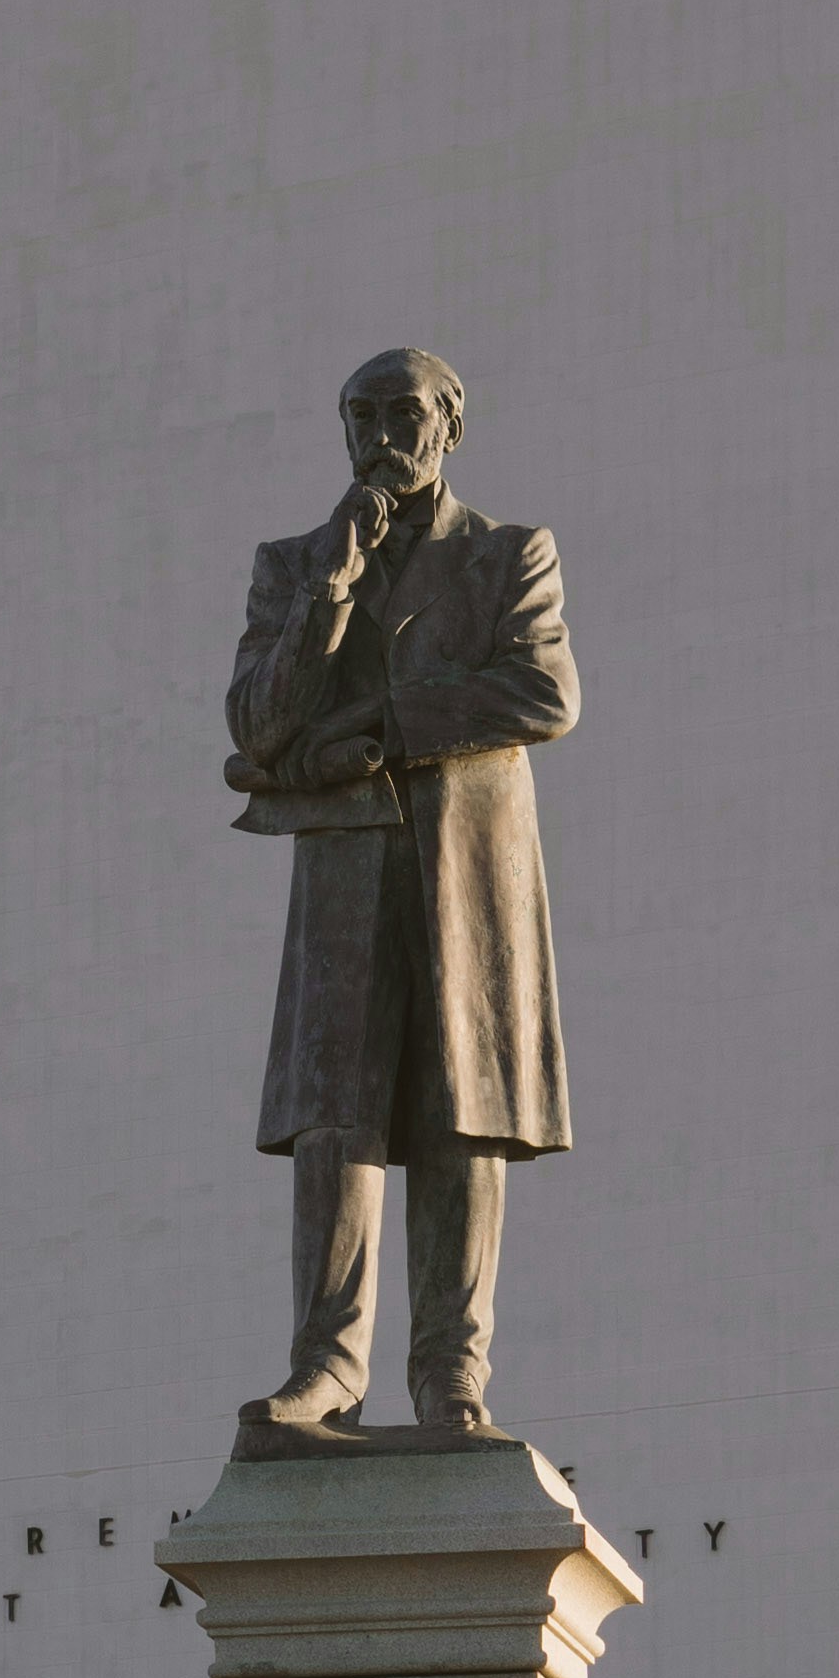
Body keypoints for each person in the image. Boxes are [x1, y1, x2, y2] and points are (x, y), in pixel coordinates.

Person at [220, 347, 577, 1444]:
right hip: (344, 870)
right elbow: (255, 727)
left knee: (459, 1110)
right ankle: (326, 1368)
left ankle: (448, 1379)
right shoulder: (292, 564)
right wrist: (332, 577)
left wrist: (380, 726)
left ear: (450, 423)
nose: (381, 432)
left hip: (468, 873)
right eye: (359, 414)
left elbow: (542, 689)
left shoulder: (506, 553)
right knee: (337, 1113)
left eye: (404, 411)